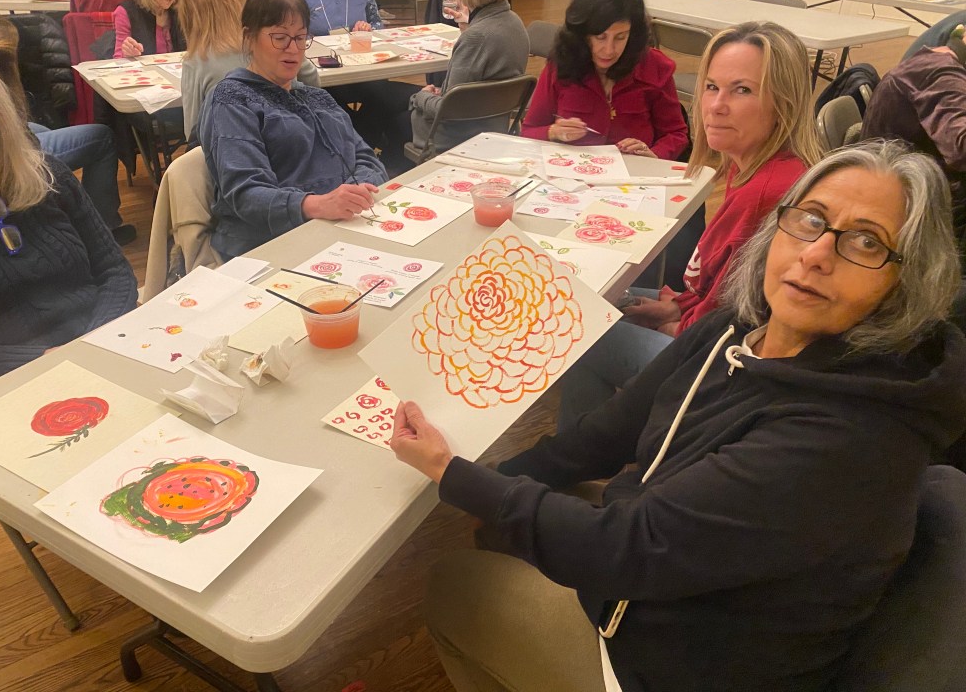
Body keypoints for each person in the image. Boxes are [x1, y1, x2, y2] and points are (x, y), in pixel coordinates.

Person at [390, 141, 966, 692]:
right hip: (670, 577)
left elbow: (626, 547)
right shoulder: (741, 327)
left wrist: (452, 474)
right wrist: (494, 474)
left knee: (452, 585)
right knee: (508, 518)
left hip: (677, 667)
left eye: (866, 242)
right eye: (811, 220)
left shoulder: (846, 439)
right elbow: (609, 432)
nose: (816, 254)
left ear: (905, 282)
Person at [558, 21, 823, 428]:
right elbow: (723, 292)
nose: (716, 105)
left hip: (723, 370)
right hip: (713, 330)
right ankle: (601, 440)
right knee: (594, 299)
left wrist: (674, 322)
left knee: (576, 325)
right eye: (712, 87)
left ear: (783, 103)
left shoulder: (765, 192)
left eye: (742, 90)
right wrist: (676, 306)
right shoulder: (753, 164)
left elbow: (731, 324)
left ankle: (585, 447)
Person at [0, 40, 137, 396]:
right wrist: (41, 360)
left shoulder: (50, 175)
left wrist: (93, 341)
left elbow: (115, 270)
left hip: (103, 350)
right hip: (6, 388)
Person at [199, 0, 387, 259]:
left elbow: (368, 160)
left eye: (300, 38)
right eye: (280, 37)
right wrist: (317, 205)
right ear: (249, 38)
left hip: (339, 231)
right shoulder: (232, 99)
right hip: (268, 246)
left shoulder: (317, 98)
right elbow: (246, 194)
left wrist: (359, 191)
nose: (293, 49)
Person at [0, 12, 135, 245]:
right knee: (101, 137)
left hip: (13, 135)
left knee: (42, 130)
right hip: (13, 149)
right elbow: (19, 140)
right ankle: (104, 227)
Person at [521, 0, 688, 160]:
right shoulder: (562, 63)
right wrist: (553, 132)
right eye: (600, 37)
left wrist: (654, 155)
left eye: (620, 37)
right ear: (583, 34)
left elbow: (676, 134)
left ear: (633, 35)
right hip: (571, 172)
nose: (609, 50)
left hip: (634, 174)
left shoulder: (654, 67)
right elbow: (529, 131)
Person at [288, 0, 411, 174]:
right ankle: (354, 158)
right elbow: (292, 34)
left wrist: (368, 29)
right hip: (323, 77)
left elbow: (377, 23)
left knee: (395, 100)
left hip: (362, 70)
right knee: (332, 109)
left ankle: (371, 159)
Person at [407, 0, 528, 154]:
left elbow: (449, 110)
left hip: (455, 138)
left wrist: (421, 97)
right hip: (495, 126)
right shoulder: (515, 22)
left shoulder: (476, 37)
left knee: (386, 111)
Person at [860, 24, 966, 265]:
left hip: (915, 189)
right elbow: (961, 149)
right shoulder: (939, 72)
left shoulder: (941, 58)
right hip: (913, 209)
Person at [177, 0, 319, 141]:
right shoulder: (275, 42)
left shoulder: (197, 62)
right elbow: (311, 77)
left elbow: (193, 132)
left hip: (234, 141)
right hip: (291, 133)